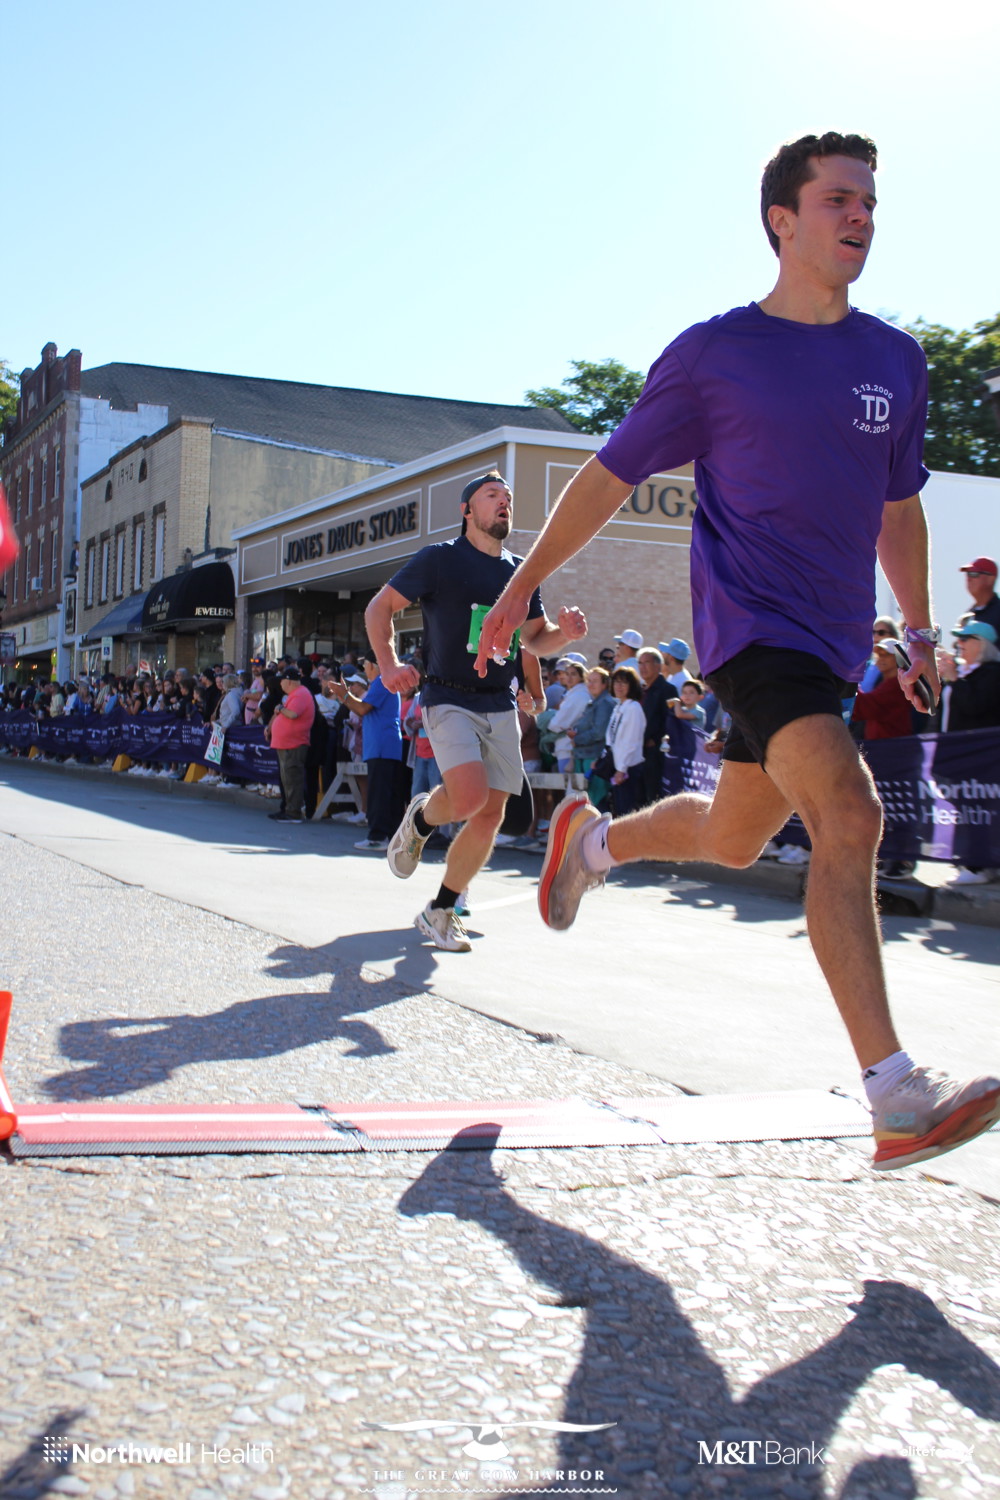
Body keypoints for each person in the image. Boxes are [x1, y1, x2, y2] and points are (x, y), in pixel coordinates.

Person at [474, 131, 999, 1172]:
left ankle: (590, 843)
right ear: (782, 221)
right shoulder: (717, 354)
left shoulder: (895, 361)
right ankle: (893, 1092)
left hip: (834, 644)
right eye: (839, 199)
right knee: (848, 815)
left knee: (732, 837)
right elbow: (608, 474)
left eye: (869, 202)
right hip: (750, 631)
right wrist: (524, 578)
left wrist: (918, 626)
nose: (861, 216)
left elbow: (899, 507)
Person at [366, 469, 585, 953]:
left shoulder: (521, 572)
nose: (504, 502)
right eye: (492, 495)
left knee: (490, 815)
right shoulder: (439, 559)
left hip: (499, 703)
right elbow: (378, 609)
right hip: (448, 695)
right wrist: (389, 665)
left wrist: (564, 635)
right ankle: (421, 820)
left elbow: (534, 640)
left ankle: (441, 910)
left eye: (508, 496)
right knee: (467, 799)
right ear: (467, 510)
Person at [329, 651, 406, 851]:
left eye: (365, 664)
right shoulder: (383, 682)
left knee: (379, 794)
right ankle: (391, 837)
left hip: (381, 746)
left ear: (374, 665)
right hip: (385, 746)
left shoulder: (382, 681)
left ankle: (377, 837)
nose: (364, 668)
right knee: (387, 794)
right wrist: (345, 695)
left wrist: (344, 694)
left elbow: (362, 709)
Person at [264, 665, 314, 823]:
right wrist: (271, 727)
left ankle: (294, 812)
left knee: (292, 779)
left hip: (294, 744)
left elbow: (293, 714)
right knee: (287, 779)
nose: (280, 684)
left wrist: (280, 708)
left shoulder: (300, 694)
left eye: (282, 681)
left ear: (289, 681)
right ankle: (288, 809)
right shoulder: (294, 695)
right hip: (286, 743)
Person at [604, 666, 646, 817]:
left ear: (632, 686)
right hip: (617, 766)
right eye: (616, 682)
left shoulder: (633, 708)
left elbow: (631, 741)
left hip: (628, 768)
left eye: (624, 683)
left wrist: (621, 769)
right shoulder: (619, 707)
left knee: (627, 813)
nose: (619, 686)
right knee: (619, 810)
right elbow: (612, 736)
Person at [959, 556, 1000, 637]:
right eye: (968, 574)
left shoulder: (998, 611)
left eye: (974, 574)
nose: (968, 579)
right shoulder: (967, 616)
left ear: (991, 579)